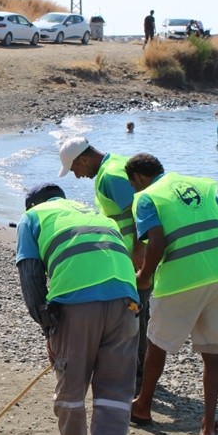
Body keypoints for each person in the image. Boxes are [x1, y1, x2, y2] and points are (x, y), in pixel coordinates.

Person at [16, 183, 139, 435]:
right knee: (115, 391)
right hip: (127, 301)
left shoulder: (33, 217)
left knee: (71, 386)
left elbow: (31, 276)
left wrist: (47, 324)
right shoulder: (98, 215)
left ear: (32, 204)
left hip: (78, 302)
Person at [125, 153, 218, 435]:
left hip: (182, 278)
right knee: (211, 352)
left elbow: (157, 241)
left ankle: (142, 406)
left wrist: (144, 277)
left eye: (133, 185)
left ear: (138, 179)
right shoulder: (200, 187)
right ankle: (208, 425)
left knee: (157, 342)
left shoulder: (147, 197)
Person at [58, 137, 149, 390]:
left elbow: (141, 210)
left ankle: (138, 375)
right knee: (137, 310)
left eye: (75, 169)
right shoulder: (116, 163)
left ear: (84, 159)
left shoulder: (110, 175)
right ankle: (138, 370)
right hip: (128, 253)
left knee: (136, 311)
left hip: (133, 255)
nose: (76, 176)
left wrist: (139, 252)